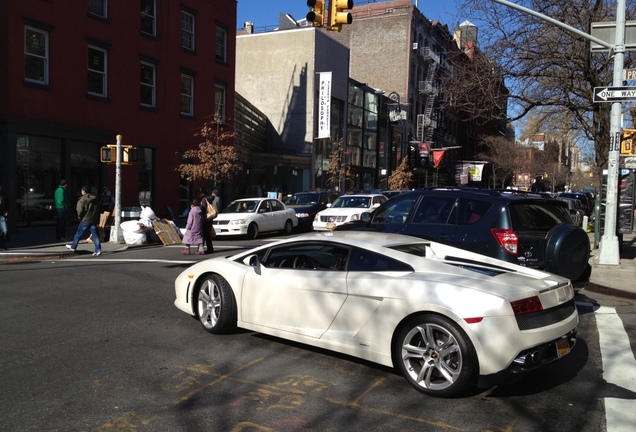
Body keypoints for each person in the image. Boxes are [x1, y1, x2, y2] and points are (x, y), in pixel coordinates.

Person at [66, 186, 101, 256]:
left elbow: (79, 210)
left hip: (85, 219)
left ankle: (73, 247)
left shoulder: (82, 200)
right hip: (93, 219)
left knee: (78, 233)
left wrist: (79, 217)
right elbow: (98, 209)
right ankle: (98, 250)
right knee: (95, 235)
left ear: (83, 192)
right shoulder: (95, 199)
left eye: (81, 191)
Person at [197, 188, 215, 254]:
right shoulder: (209, 199)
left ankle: (202, 249)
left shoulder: (204, 200)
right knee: (207, 235)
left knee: (204, 234)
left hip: (205, 219)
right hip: (209, 218)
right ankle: (210, 248)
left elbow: (203, 209)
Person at [0, 185, 9, 250]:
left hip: (2, 214)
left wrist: (6, 211)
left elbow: (7, 203)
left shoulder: (3, 194)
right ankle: (2, 244)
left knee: (4, 230)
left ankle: (2, 242)